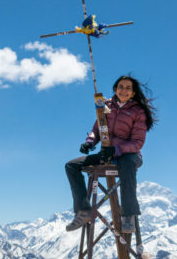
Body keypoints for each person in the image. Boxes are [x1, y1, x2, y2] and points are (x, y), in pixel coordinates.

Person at [65, 74, 157, 233]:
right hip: (107, 154)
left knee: (126, 164)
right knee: (72, 166)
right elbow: (97, 129)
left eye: (128, 88)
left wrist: (116, 150)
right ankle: (83, 211)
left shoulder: (138, 111)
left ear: (133, 93)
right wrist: (89, 143)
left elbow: (137, 143)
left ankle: (128, 215)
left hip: (130, 154)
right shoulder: (105, 105)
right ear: (115, 89)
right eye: (121, 87)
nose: (124, 90)